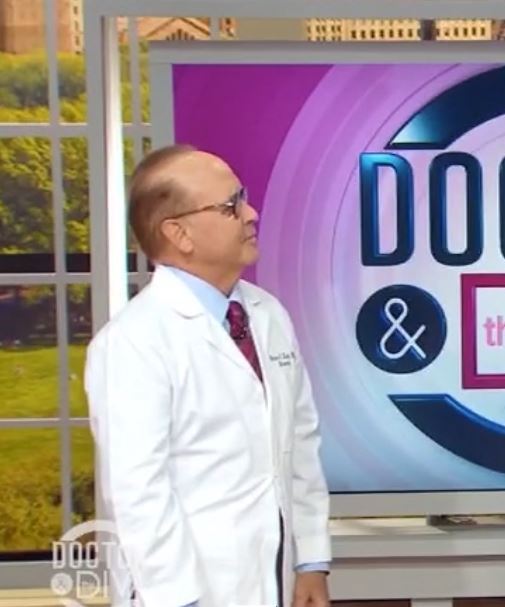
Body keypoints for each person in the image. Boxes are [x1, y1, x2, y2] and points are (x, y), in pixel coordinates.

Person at [84, 144, 333, 607]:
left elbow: (300, 443)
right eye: (230, 206)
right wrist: (180, 600)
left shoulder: (267, 314)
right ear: (178, 233)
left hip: (275, 581)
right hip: (184, 593)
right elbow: (139, 495)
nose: (251, 214)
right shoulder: (133, 343)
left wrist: (310, 561)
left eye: (244, 198)